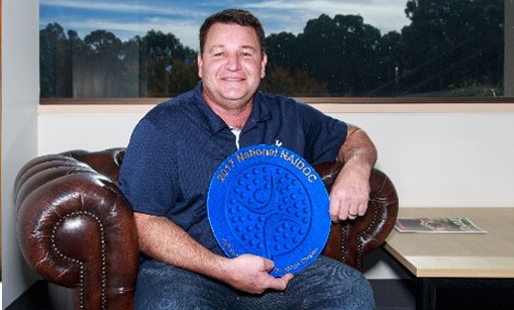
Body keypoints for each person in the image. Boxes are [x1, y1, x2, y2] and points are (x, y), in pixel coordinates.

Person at [117, 9, 378, 309]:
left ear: (262, 64)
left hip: (281, 266)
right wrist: (222, 269)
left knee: (351, 291)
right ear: (201, 65)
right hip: (187, 268)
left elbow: (354, 136)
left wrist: (357, 167)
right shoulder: (161, 127)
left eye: (246, 53)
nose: (233, 65)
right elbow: (142, 220)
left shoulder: (290, 115)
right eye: (219, 53)